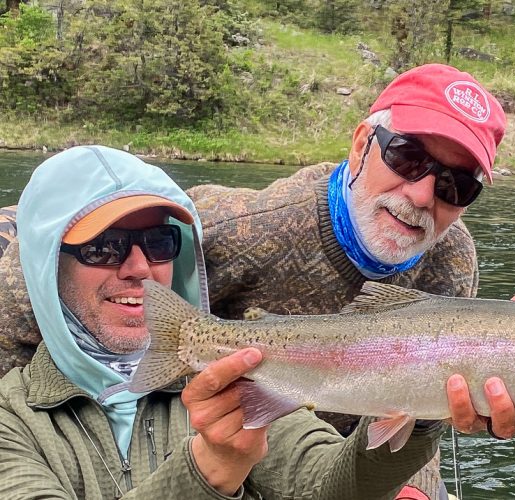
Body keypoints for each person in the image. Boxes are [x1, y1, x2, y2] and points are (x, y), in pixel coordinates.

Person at [186, 64, 515, 499]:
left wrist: (413, 485)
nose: (421, 196)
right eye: (407, 158)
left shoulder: (452, 257)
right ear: (362, 144)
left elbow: (425, 404)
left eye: (454, 186)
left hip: (372, 467)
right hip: (232, 453)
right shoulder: (230, 229)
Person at [0, 146, 446, 498]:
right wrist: (209, 470)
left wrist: (423, 402)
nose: (138, 267)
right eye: (104, 247)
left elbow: (334, 487)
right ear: (48, 266)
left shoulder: (231, 382)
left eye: (159, 242)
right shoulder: (10, 420)